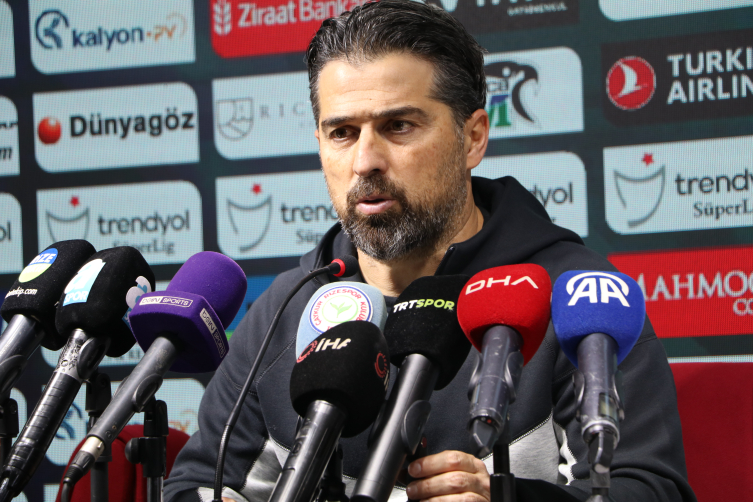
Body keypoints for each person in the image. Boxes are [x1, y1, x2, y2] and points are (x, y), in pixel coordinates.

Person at [164, 2, 696, 501]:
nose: (365, 161)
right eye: (342, 132)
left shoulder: (577, 299)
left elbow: (646, 488)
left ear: (474, 137)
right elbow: (195, 483)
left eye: (398, 126)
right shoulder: (287, 308)